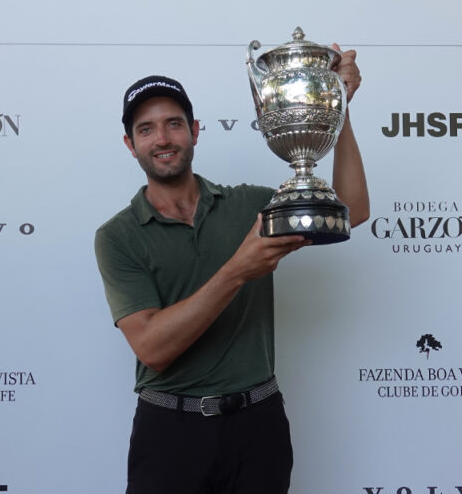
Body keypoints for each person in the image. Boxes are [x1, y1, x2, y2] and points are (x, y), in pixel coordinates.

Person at [94, 45, 369, 494]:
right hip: (170, 432)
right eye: (146, 129)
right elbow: (152, 348)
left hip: (258, 428)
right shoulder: (118, 236)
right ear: (131, 145)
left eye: (173, 124)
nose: (162, 138)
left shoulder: (247, 206)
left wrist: (336, 110)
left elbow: (351, 210)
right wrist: (237, 270)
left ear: (195, 131)